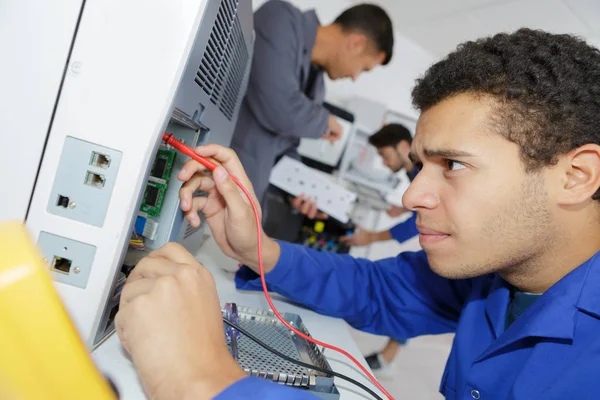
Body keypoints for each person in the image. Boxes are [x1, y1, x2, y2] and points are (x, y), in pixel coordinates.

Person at [116, 29, 600, 399]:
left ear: (577, 175)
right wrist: (256, 249)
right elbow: (381, 290)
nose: (412, 198)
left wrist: (202, 379)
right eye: (419, 166)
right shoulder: (497, 272)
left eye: (453, 164)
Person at [229, 0, 394, 223]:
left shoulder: (317, 88)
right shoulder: (281, 19)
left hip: (243, 207)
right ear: (356, 43)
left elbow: (285, 148)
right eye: (363, 69)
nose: (355, 77)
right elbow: (278, 107)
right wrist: (324, 120)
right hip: (212, 179)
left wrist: (296, 190)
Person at [340, 123, 419, 375]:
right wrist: (405, 207)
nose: (384, 163)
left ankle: (387, 359)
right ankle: (387, 357)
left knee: (412, 289)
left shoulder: (420, 169)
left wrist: (371, 237)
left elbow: (417, 223)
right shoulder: (412, 172)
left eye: (385, 155)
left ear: (404, 147)